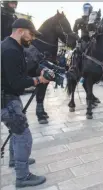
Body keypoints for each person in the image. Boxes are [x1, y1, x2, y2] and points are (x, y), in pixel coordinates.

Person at [1, 18, 52, 187]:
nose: (32, 38)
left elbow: (26, 68)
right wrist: (39, 80)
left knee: (15, 131)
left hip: (9, 96)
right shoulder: (10, 50)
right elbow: (16, 82)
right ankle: (22, 177)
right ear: (21, 31)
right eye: (30, 34)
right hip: (5, 98)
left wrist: (41, 70)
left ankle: (14, 160)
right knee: (23, 135)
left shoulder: (14, 47)